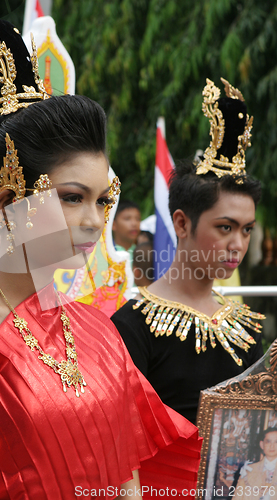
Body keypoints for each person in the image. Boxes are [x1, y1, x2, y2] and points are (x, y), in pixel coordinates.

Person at [0, 16, 201, 500]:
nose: (94, 219)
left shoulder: (99, 328)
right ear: (5, 203)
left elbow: (127, 476)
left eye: (103, 200)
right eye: (71, 197)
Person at [111, 78, 264, 425]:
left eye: (247, 230)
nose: (238, 244)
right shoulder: (131, 327)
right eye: (225, 227)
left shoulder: (245, 327)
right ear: (181, 224)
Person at [234, 428, 277, 499]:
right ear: (262, 444)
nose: (272, 446)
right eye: (268, 442)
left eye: (276, 442)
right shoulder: (248, 471)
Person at [112, 200, 141, 265]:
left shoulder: (146, 252)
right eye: (127, 219)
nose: (134, 224)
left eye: (138, 219)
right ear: (113, 224)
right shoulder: (106, 253)